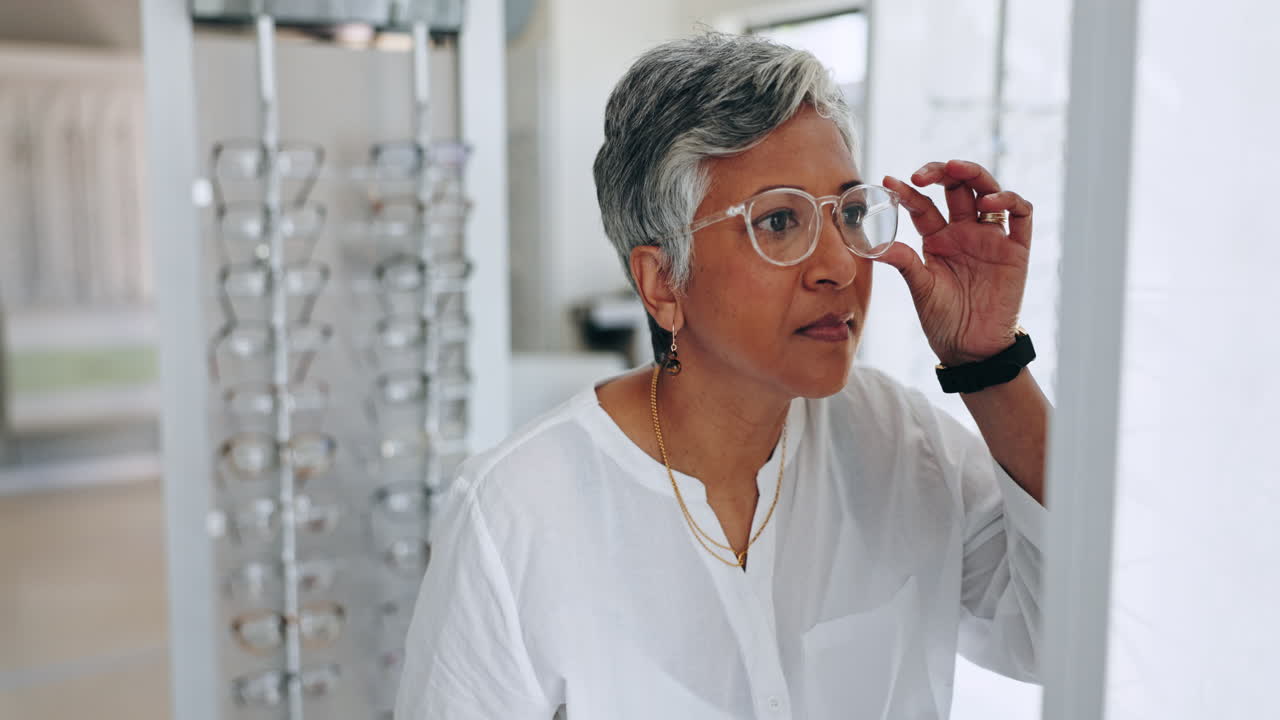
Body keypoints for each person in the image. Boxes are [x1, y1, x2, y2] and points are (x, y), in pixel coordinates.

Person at [396, 31, 1048, 719]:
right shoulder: (515, 514)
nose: (839, 265)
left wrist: (988, 364)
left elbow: (1059, 635)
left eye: (850, 214)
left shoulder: (899, 439)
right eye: (777, 221)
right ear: (663, 282)